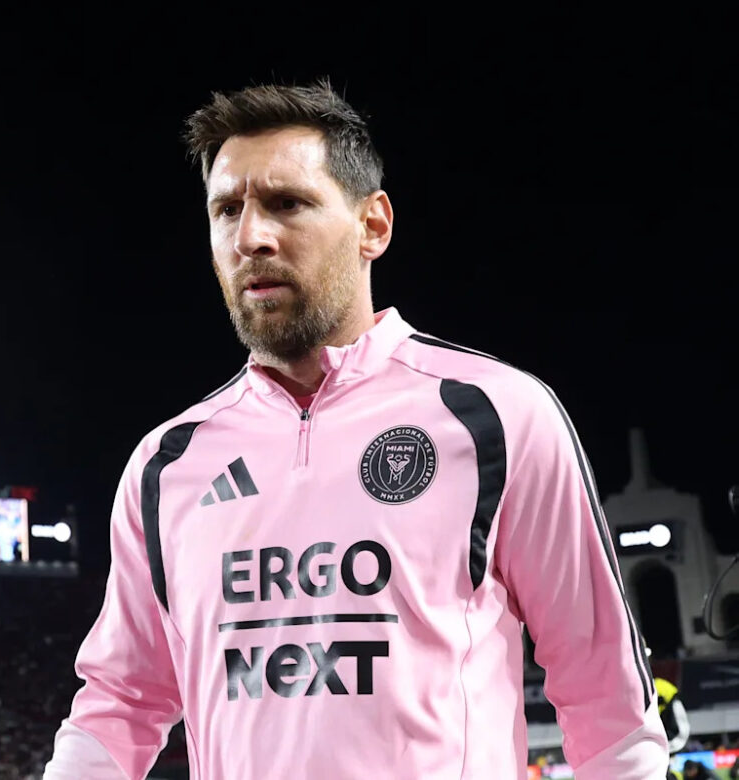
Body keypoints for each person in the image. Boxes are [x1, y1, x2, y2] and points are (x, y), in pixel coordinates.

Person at [43, 79, 668, 778]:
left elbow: (606, 699)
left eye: (287, 203)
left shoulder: (495, 414)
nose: (250, 237)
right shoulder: (167, 464)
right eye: (227, 210)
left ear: (373, 225)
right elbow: (120, 702)